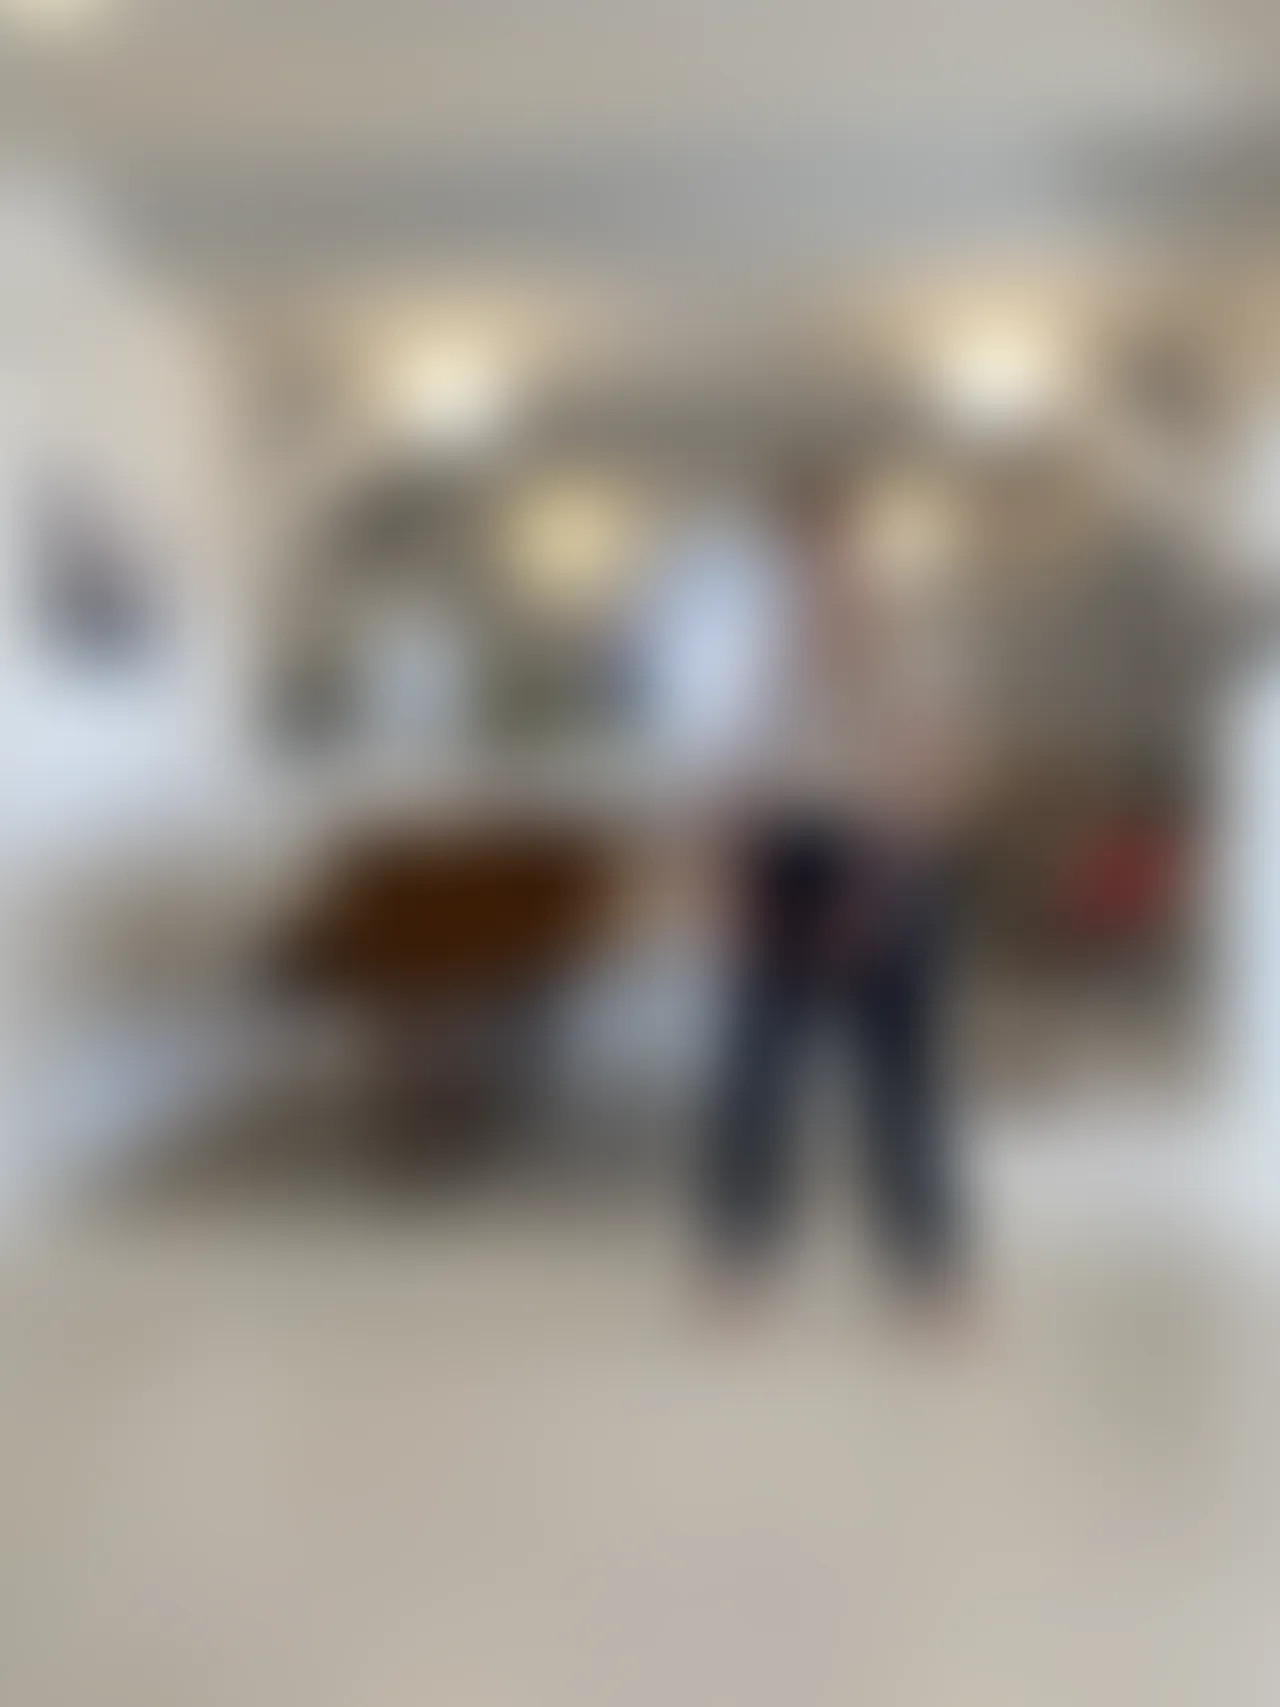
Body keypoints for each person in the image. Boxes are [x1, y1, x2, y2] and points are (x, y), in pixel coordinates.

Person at [699, 461, 972, 1293]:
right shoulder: (759, 654)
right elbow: (735, 778)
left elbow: (936, 775)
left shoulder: (911, 648)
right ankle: (742, 1250)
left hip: (883, 861)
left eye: (831, 547)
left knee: (901, 1075)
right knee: (757, 1070)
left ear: (857, 546)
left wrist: (876, 883)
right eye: (800, 552)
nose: (819, 570)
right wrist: (729, 880)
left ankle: (926, 1260)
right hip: (785, 861)